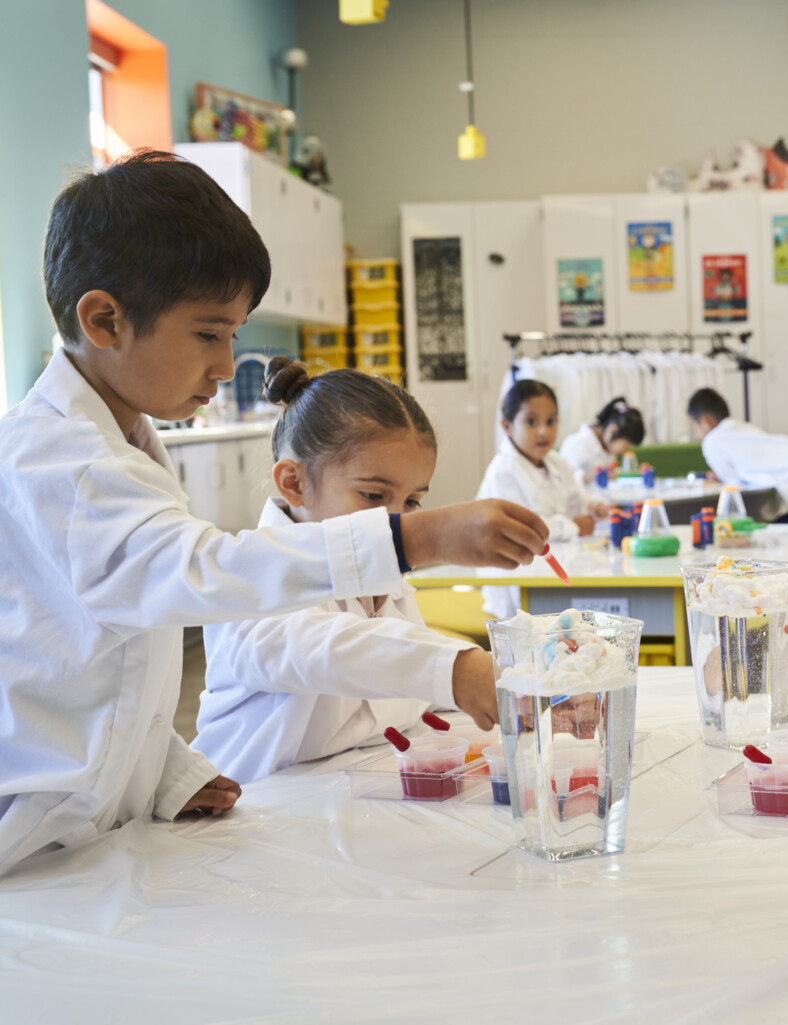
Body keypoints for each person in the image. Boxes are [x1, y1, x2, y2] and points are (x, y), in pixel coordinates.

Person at [0, 152, 547, 876]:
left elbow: (92, 659)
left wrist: (168, 767)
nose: (228, 364)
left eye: (233, 334)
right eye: (208, 333)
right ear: (105, 319)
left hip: (97, 820)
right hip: (37, 833)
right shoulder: (62, 461)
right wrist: (418, 535)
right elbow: (198, 576)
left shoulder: (121, 444)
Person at [193, 359, 502, 783]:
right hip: (251, 815)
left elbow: (402, 692)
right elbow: (326, 650)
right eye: (373, 495)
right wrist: (455, 670)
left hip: (336, 798)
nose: (396, 522)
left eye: (411, 502)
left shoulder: (385, 584)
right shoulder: (249, 578)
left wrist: (511, 680)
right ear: (294, 483)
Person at [479, 379, 599, 618]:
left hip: (554, 567)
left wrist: (596, 506)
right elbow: (523, 529)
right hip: (515, 581)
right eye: (531, 422)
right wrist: (573, 526)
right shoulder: (503, 471)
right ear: (507, 425)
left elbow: (577, 498)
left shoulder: (557, 462)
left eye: (551, 421)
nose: (544, 430)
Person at [688, 387, 788, 523]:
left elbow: (733, 488)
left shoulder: (712, 441)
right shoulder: (739, 427)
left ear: (705, 422)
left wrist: (722, 479)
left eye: (695, 427)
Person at [558, 397, 646, 483]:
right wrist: (588, 477)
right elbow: (562, 480)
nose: (624, 451)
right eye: (626, 446)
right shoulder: (575, 443)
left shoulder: (606, 446)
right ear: (613, 431)